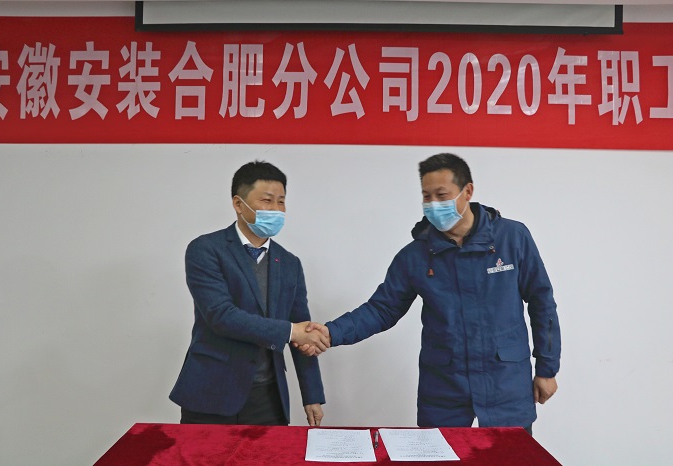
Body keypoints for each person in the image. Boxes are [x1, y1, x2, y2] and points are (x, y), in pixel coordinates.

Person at [300, 153, 560, 432]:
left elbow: (541, 302)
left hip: (506, 382)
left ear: (467, 191)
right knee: (438, 453)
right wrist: (331, 333)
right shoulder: (416, 255)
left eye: (441, 195)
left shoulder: (512, 238)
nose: (434, 204)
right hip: (444, 388)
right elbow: (382, 309)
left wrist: (547, 368)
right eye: (427, 196)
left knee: (510, 453)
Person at [170, 160, 330, 427]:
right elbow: (221, 316)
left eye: (281, 201)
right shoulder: (205, 249)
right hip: (210, 392)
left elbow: (303, 328)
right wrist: (292, 331)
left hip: (268, 397)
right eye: (267, 200)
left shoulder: (289, 263)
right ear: (238, 203)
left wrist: (312, 395)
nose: (276, 209)